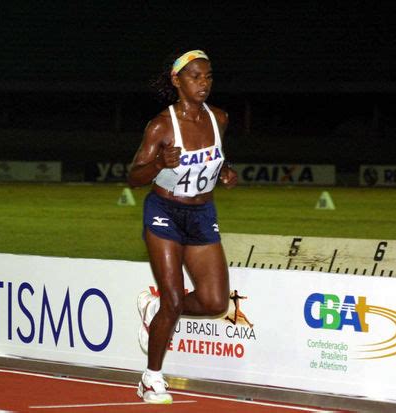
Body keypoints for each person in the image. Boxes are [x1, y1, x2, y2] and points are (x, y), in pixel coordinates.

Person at [127, 49, 238, 404]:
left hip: (202, 213)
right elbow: (134, 177)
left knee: (214, 301)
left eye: (207, 77)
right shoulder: (161, 125)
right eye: (195, 77)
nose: (203, 83)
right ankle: (151, 378)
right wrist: (159, 161)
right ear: (177, 81)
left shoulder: (218, 118)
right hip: (165, 212)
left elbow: (216, 156)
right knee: (174, 298)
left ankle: (153, 311)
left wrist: (225, 173)